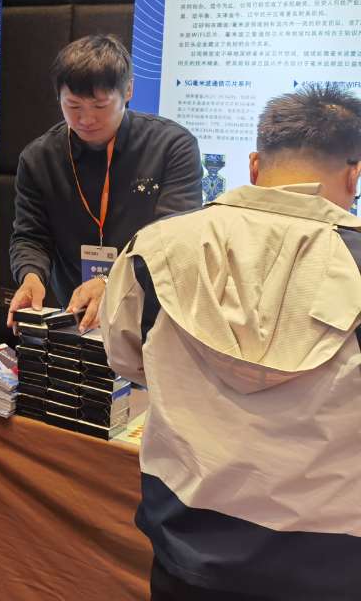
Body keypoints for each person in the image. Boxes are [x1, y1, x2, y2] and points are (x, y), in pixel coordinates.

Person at [101, 83, 361, 601]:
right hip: (331, 556)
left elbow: (126, 358)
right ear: (354, 175)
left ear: (255, 165)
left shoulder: (155, 247)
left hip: (184, 538)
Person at [7, 35, 201, 332]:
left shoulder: (171, 146)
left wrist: (111, 281)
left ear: (128, 90)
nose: (86, 119)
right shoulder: (39, 158)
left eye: (99, 106)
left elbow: (174, 242)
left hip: (152, 317)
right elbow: (31, 236)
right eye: (73, 105)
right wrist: (30, 276)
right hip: (75, 316)